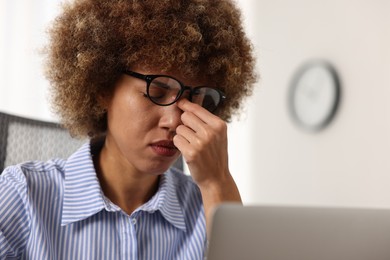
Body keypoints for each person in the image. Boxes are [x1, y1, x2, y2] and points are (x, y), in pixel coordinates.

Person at [0, 0, 256, 259]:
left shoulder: (208, 207)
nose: (175, 120)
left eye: (197, 98)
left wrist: (217, 182)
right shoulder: (24, 197)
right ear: (103, 88)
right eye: (157, 91)